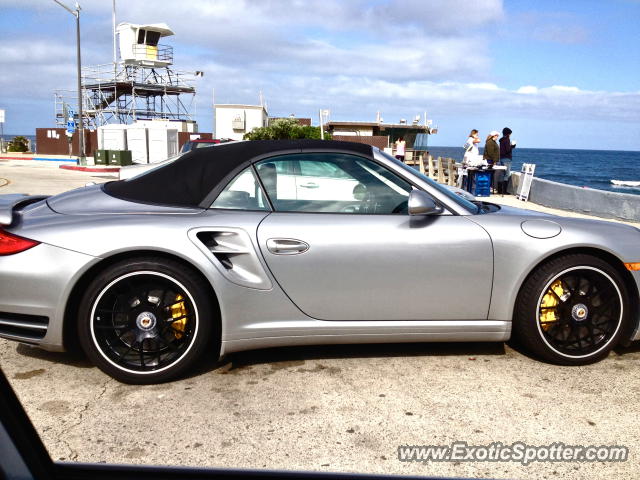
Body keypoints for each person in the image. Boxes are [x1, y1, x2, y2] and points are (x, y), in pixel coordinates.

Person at [498, 127, 516, 194]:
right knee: (507, 174)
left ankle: (500, 189)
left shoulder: (501, 140)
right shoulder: (507, 140)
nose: (510, 135)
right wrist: (513, 146)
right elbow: (508, 150)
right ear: (508, 134)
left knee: (502, 174)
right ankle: (504, 190)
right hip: (507, 159)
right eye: (510, 134)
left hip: (502, 158)